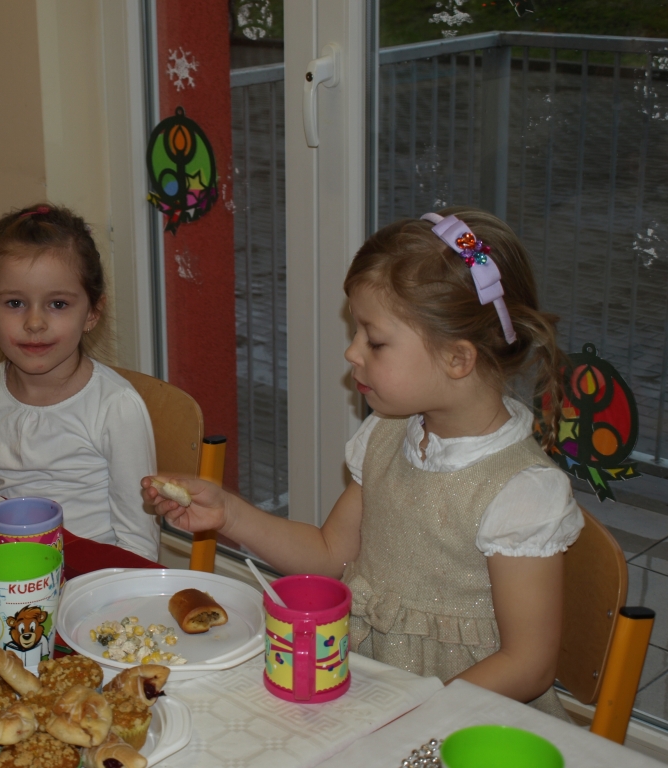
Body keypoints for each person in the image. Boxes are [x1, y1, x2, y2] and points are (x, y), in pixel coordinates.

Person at [144, 207, 583, 716]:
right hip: (373, 689)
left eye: (374, 341)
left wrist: (413, 716)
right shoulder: (388, 435)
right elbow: (330, 554)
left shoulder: (522, 492)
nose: (353, 353)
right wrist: (229, 513)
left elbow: (528, 665)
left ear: (457, 359)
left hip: (467, 720)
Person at [0, 203, 159, 561]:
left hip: (91, 576)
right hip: (3, 569)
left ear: (92, 313)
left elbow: (139, 548)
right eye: (15, 302)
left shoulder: (116, 408)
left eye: (58, 304)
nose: (34, 323)